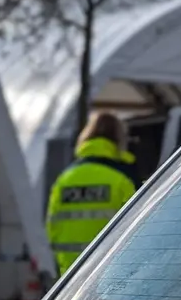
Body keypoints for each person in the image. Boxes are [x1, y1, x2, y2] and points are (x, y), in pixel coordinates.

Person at [45, 111, 140, 275]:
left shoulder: (65, 179)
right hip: (108, 275)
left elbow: (52, 229)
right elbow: (137, 230)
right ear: (119, 140)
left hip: (69, 277)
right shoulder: (122, 179)